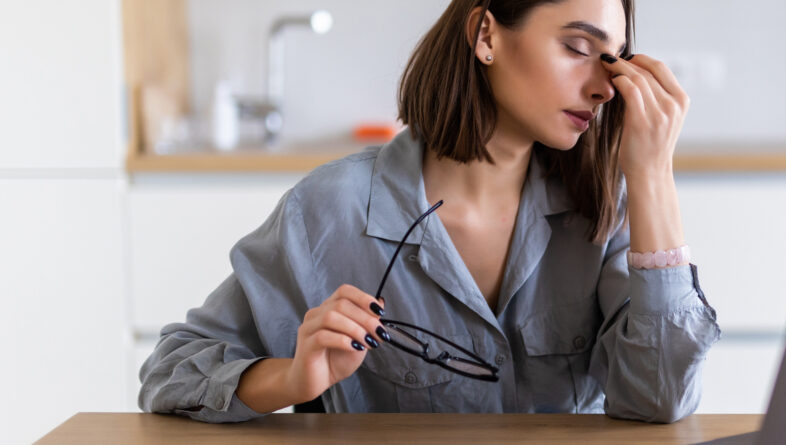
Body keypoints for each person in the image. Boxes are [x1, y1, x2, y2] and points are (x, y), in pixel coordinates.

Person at [138, 0, 720, 424]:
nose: (602, 87)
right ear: (486, 33)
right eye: (576, 47)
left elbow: (661, 399)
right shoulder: (329, 212)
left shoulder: (605, 211)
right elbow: (170, 374)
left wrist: (650, 174)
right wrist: (291, 377)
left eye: (612, 62)